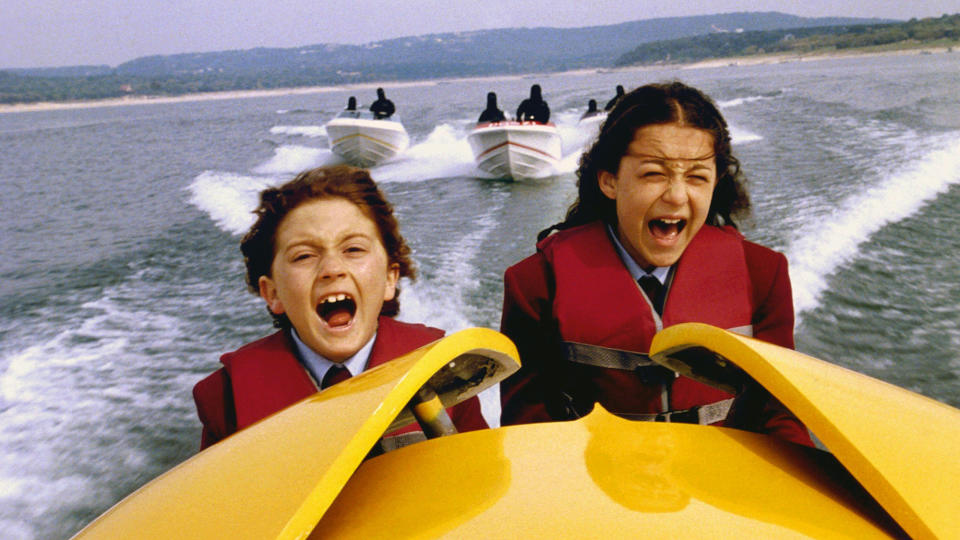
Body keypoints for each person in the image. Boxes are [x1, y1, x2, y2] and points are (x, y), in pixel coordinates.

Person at [498, 81, 813, 447]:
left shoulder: (764, 273)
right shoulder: (535, 281)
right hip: (595, 485)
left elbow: (780, 411)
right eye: (653, 174)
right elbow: (527, 425)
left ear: (716, 184)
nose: (677, 196)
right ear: (609, 180)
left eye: (697, 177)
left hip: (727, 483)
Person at [193, 166, 487, 451]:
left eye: (353, 250)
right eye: (304, 256)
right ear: (272, 293)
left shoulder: (446, 369)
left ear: (389, 279)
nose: (332, 269)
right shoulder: (223, 397)